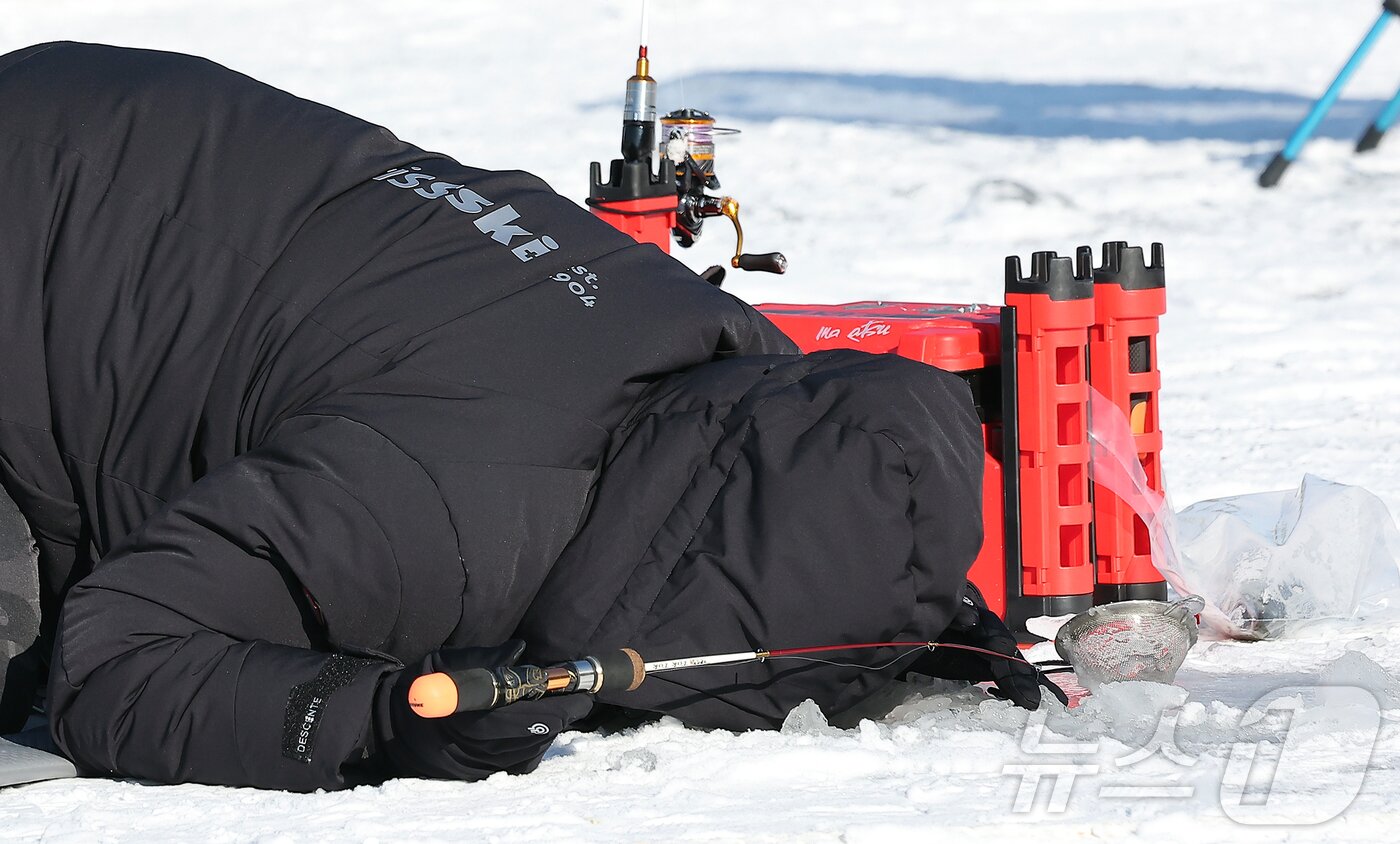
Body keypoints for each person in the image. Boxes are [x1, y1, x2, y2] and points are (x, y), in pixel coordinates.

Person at [0, 42, 1054, 792]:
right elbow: (114, 663)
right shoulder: (446, 514)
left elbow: (827, 520)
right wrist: (376, 714)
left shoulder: (736, 354)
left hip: (125, 125)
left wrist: (946, 630)